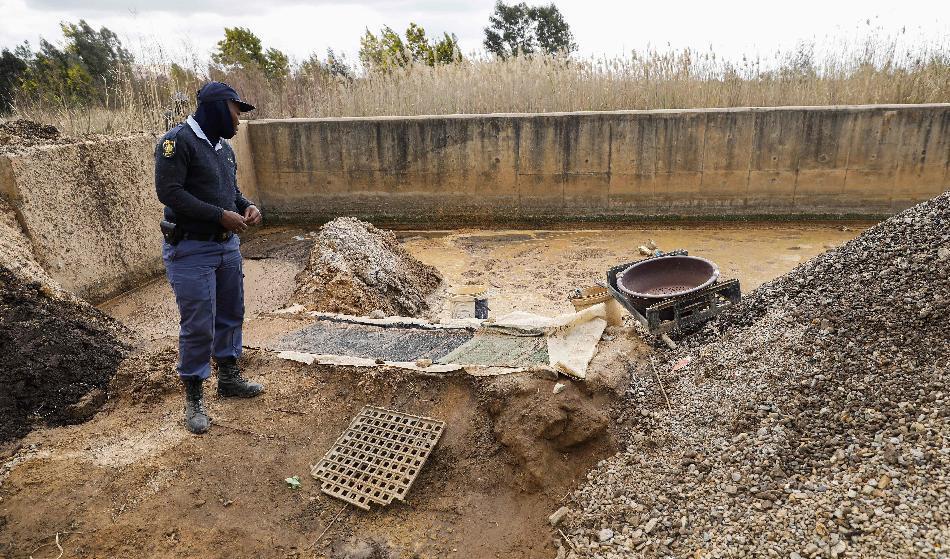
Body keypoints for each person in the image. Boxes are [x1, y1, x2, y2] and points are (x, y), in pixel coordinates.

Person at [154, 82, 264, 435]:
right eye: (236, 111)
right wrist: (219, 215)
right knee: (198, 322)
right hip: (191, 248)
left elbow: (229, 193)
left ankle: (229, 377)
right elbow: (169, 192)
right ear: (217, 108)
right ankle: (194, 395)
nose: (238, 119)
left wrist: (245, 205)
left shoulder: (223, 149)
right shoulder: (177, 143)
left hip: (225, 246)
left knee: (231, 312)